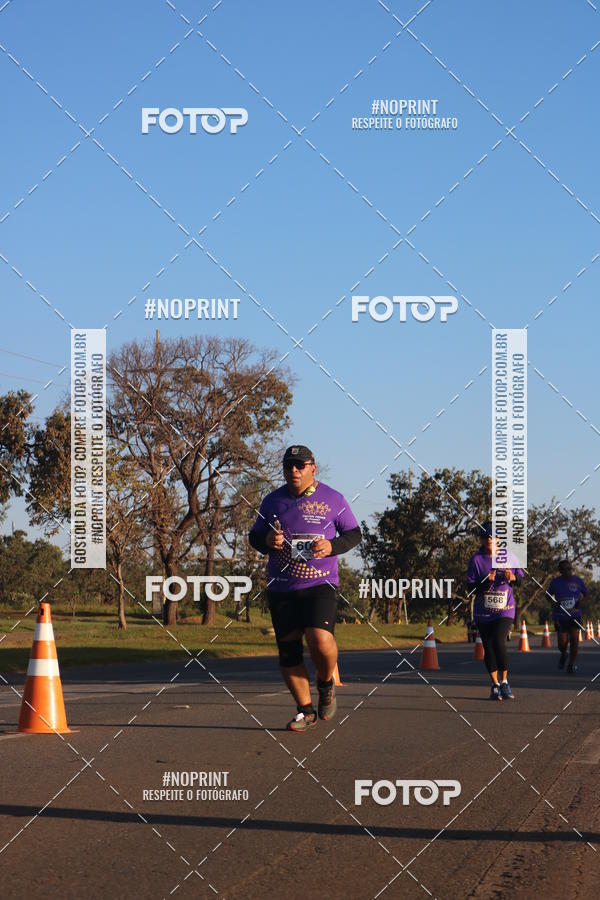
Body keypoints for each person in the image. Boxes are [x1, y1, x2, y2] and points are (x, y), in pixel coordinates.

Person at [248, 445, 361, 732]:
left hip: (320, 582)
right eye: (289, 466)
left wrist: (331, 546)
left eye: (300, 465)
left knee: (319, 638)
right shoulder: (272, 501)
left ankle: (325, 682)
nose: (294, 471)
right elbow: (255, 536)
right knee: (289, 651)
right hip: (282, 586)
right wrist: (267, 542)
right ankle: (305, 711)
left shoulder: (333, 499)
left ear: (313, 468)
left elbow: (354, 533)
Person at [466, 522, 524, 701]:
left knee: (499, 642)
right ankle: (495, 684)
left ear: (498, 538)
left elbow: (520, 579)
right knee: (488, 648)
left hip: (505, 609)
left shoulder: (509, 556)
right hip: (484, 612)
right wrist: (486, 581)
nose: (488, 540)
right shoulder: (476, 560)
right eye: (485, 537)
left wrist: (512, 577)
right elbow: (470, 587)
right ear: (481, 540)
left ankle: (505, 682)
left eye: (491, 536)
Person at [548, 559, 587, 674]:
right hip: (560, 616)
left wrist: (581, 603)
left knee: (574, 640)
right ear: (560, 571)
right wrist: (553, 602)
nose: (567, 571)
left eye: (569, 569)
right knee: (562, 643)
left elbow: (586, 594)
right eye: (564, 569)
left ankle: (571, 664)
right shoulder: (555, 582)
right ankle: (564, 653)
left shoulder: (578, 581)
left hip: (575, 615)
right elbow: (548, 595)